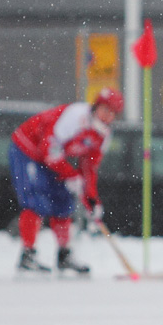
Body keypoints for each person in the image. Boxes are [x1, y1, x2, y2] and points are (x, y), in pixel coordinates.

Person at [8, 87, 124, 273]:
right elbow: (49, 149)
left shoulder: (103, 135)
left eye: (112, 113)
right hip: (28, 151)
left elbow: (89, 168)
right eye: (105, 110)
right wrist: (70, 175)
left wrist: (91, 200)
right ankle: (27, 255)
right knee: (35, 202)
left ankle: (64, 255)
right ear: (96, 107)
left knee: (63, 202)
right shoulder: (76, 116)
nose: (107, 116)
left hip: (54, 160)